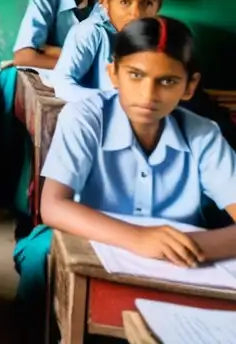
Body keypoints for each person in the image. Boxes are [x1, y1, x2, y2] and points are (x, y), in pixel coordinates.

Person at [14, 17, 236, 302]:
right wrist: (138, 238)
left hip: (177, 256)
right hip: (92, 237)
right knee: (38, 254)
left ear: (189, 86)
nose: (148, 95)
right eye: (135, 75)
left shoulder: (203, 134)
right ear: (113, 74)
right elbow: (54, 206)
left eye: (167, 81)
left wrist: (193, 246)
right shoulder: (86, 117)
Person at [0, 0, 115, 226]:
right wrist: (75, 56)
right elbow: (25, 56)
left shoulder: (106, 5)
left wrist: (54, 51)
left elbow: (99, 61)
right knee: (32, 138)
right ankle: (26, 208)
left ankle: (65, 205)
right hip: (34, 78)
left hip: (77, 81)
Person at [50, 0, 163, 102]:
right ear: (105, 1)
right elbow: (62, 84)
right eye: (124, 2)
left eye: (147, 3)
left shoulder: (161, 38)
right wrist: (113, 102)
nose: (136, 14)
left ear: (158, 5)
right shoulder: (90, 31)